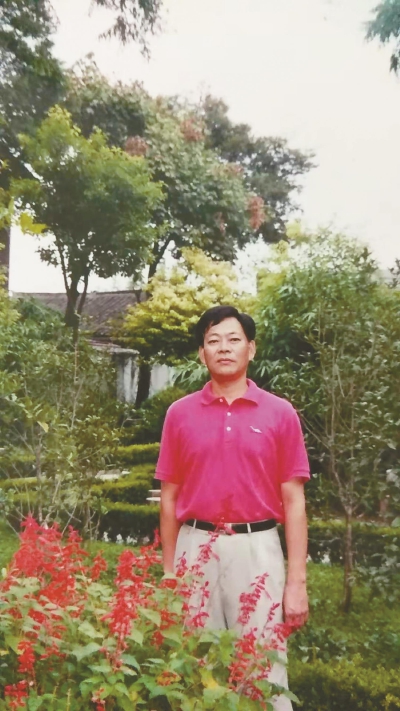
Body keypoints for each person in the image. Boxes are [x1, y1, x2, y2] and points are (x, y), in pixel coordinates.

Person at [155, 305, 309, 710]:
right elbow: (169, 497)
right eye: (213, 341)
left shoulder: (280, 413)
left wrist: (296, 582)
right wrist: (170, 572)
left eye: (233, 339)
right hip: (194, 548)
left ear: (251, 349)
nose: (223, 348)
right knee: (195, 668)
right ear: (202, 353)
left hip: (257, 549)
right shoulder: (179, 414)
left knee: (262, 670)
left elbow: (294, 502)